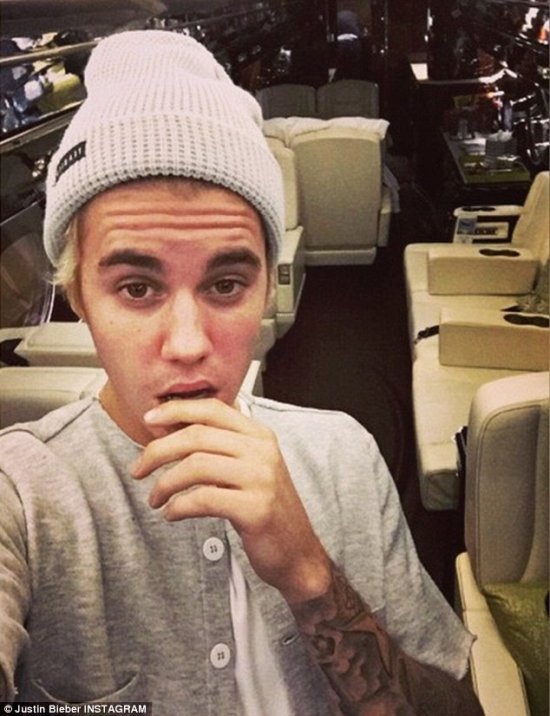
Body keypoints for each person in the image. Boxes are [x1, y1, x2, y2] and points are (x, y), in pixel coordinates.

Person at [0, 30, 483, 714]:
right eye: (137, 288)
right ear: (78, 296)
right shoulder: (22, 494)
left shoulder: (342, 457)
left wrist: (310, 573)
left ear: (265, 289)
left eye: (226, 284)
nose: (188, 344)